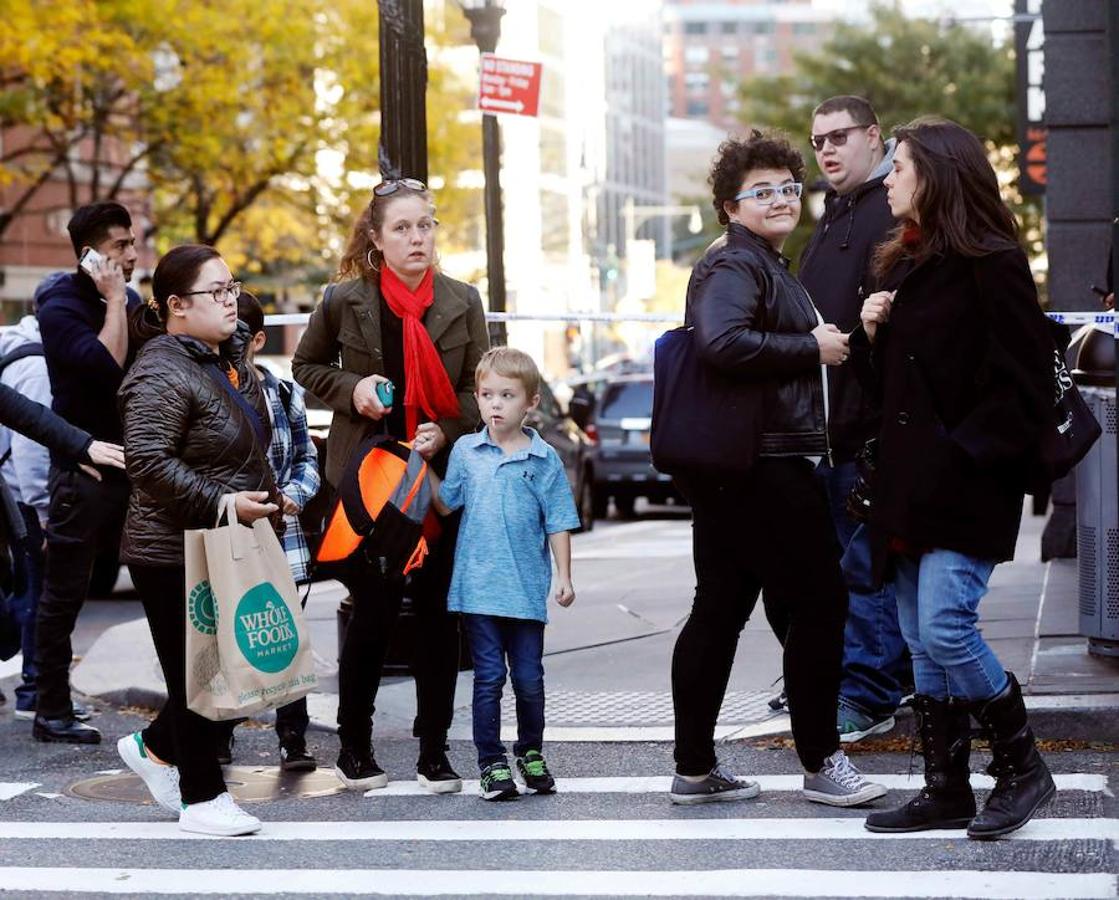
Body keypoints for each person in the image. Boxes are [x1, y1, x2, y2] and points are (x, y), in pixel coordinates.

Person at [668, 130, 886, 809]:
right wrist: (809, 347)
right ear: (729, 206)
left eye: (788, 188)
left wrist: (840, 340)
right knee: (820, 605)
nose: (780, 199)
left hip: (742, 463)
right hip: (764, 463)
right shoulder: (736, 264)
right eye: (760, 191)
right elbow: (723, 341)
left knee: (719, 608)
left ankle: (694, 769)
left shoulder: (761, 261)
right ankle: (821, 762)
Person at [856, 117, 1057, 839]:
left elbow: (1026, 388)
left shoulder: (991, 262)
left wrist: (961, 452)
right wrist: (871, 335)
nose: (887, 179)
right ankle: (945, 788)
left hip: (967, 482)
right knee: (918, 636)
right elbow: (890, 393)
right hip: (909, 486)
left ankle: (1023, 767)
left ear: (936, 174)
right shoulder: (903, 264)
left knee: (945, 627)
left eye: (899, 166)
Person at [292, 178, 488, 793]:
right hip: (369, 479)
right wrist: (351, 390)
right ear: (376, 238)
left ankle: (435, 750)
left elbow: (478, 389)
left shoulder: (463, 299)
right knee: (372, 612)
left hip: (436, 479)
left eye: (424, 225)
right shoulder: (342, 300)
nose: (416, 238)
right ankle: (355, 747)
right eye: (401, 228)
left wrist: (445, 430)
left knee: (437, 614)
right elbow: (305, 367)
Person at [116, 244, 281, 837]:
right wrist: (223, 502)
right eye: (216, 291)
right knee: (201, 677)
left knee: (231, 671)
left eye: (232, 286)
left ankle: (155, 748)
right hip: (171, 549)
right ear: (176, 306)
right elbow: (147, 461)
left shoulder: (223, 360)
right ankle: (203, 798)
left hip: (223, 541)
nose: (231, 299)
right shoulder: (160, 370)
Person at [798, 95, 912, 743]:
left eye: (838, 137)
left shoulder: (889, 209)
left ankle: (869, 691)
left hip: (866, 425)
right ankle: (854, 679)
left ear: (873, 136)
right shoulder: (835, 210)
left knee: (865, 568)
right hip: (829, 424)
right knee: (844, 566)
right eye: (818, 141)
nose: (826, 150)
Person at [429, 347, 579, 801]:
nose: (495, 404)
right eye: (487, 394)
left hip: (526, 590)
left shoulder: (543, 459)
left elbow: (558, 520)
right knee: (489, 678)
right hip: (478, 589)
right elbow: (445, 503)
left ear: (531, 402)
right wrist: (417, 463)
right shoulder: (466, 451)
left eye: (507, 395)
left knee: (529, 679)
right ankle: (491, 763)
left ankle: (530, 752)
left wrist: (564, 576)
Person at [33, 201, 140, 744]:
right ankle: (50, 707)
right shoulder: (59, 304)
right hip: (82, 472)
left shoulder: (134, 301)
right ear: (90, 254)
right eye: (121, 245)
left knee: (160, 580)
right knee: (65, 593)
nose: (133, 253)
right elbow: (105, 368)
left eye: (133, 242)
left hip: (134, 468)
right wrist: (115, 300)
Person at [228, 291, 322, 771]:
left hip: (283, 534)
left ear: (258, 340)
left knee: (284, 635)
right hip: (230, 534)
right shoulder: (210, 390)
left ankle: (293, 737)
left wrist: (295, 495)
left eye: (238, 337)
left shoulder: (283, 394)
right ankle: (220, 731)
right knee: (228, 633)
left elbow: (307, 458)